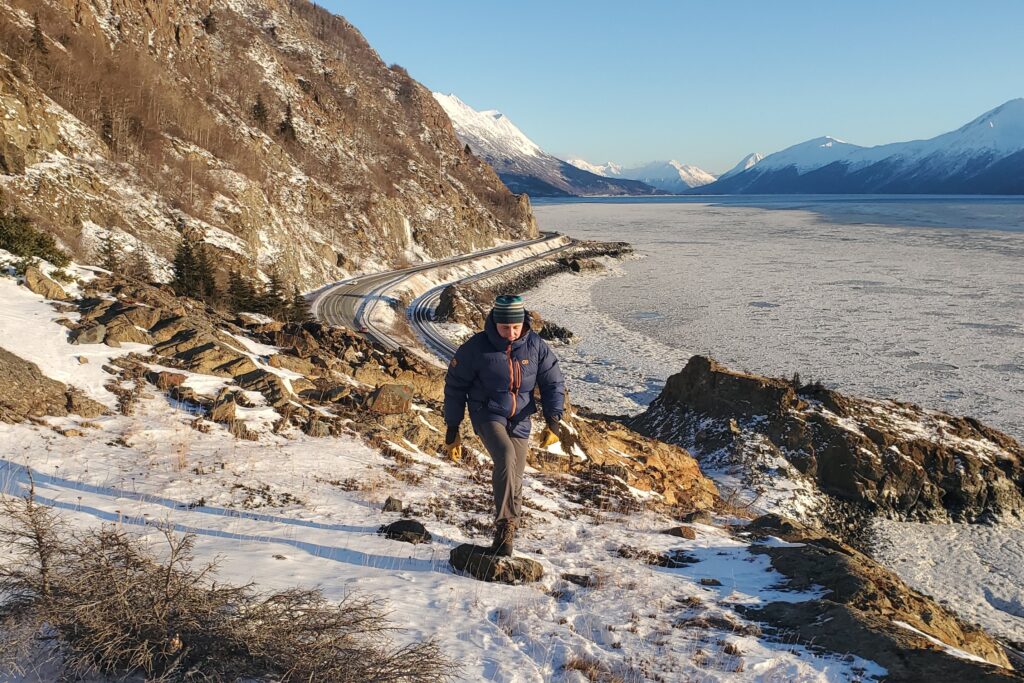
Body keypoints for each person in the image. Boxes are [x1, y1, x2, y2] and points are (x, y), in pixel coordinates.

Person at [443, 294, 565, 556]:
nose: (510, 333)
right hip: (487, 413)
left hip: (520, 418)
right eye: (504, 327)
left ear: (523, 323)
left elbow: (552, 382)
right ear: (494, 323)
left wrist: (553, 421)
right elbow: (455, 386)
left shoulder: (536, 346)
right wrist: (452, 427)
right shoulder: (476, 348)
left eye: (515, 327)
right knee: (506, 457)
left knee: (516, 477)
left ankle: (507, 535)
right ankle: (505, 527)